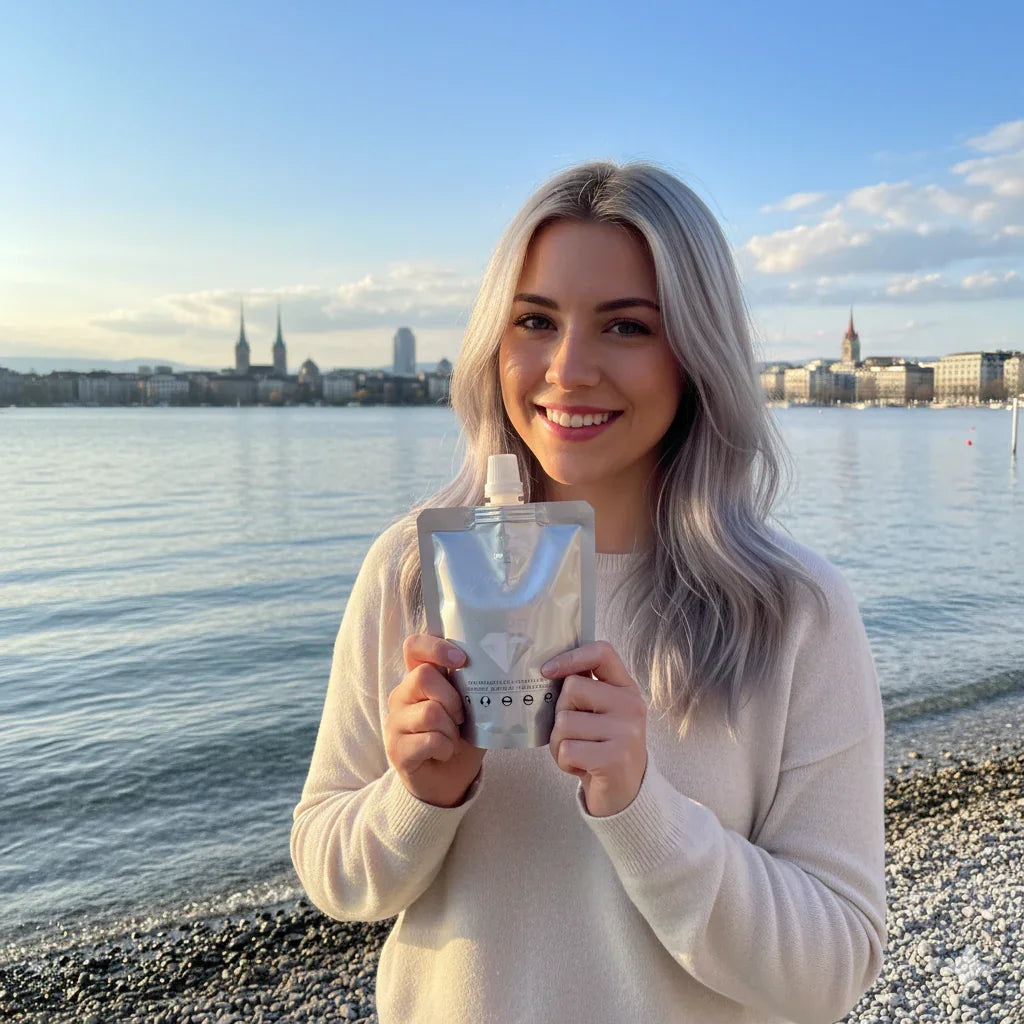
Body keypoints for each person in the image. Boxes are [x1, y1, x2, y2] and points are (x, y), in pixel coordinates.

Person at [291, 161, 886, 1024]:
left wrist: (645, 810)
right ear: (496, 339)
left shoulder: (793, 610)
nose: (568, 370)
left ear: (696, 352)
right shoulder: (415, 570)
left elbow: (833, 968)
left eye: (627, 327)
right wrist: (418, 796)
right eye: (536, 320)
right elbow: (332, 869)